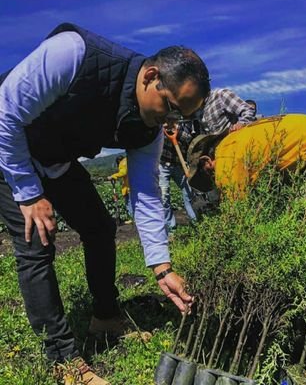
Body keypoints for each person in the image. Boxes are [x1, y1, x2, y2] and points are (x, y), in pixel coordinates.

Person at [0, 22, 209, 384]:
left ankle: (106, 316)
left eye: (181, 118)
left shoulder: (149, 129)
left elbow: (145, 194)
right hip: (8, 146)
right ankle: (63, 359)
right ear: (151, 76)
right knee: (37, 240)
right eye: (170, 108)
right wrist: (30, 194)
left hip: (55, 158)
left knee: (99, 227)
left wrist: (161, 267)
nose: (170, 122)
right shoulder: (72, 54)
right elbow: (6, 114)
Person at [186, 114, 306, 199]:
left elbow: (236, 211)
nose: (215, 182)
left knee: (304, 222)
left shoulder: (227, 150)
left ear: (206, 161)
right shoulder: (249, 135)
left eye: (210, 176)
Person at [159, 122, 198, 234]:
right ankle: (171, 227)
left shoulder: (183, 126)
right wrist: (162, 130)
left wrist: (178, 130)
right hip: (162, 165)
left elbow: (190, 140)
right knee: (164, 197)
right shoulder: (159, 128)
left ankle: (195, 221)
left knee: (189, 193)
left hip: (179, 166)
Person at [108, 155, 133, 223]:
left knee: (129, 203)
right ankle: (134, 218)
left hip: (129, 187)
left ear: (118, 161)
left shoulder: (123, 162)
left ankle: (132, 219)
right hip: (131, 186)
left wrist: (113, 176)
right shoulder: (129, 161)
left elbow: (123, 172)